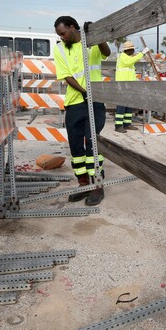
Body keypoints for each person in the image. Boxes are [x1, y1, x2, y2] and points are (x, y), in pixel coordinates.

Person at [53, 16, 111, 206]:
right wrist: (84, 92)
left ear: (72, 27)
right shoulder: (60, 48)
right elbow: (66, 76)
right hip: (74, 102)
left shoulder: (91, 44)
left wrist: (97, 35)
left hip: (95, 102)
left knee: (92, 143)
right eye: (59, 35)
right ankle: (83, 185)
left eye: (63, 33)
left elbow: (106, 52)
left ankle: (97, 187)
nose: (61, 37)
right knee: (76, 146)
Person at [114, 40, 148, 132]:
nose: (133, 51)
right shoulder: (123, 56)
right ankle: (118, 126)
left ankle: (127, 124)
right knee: (121, 105)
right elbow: (131, 61)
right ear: (128, 50)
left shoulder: (127, 57)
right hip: (122, 85)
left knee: (129, 105)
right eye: (132, 50)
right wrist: (142, 53)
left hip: (129, 85)